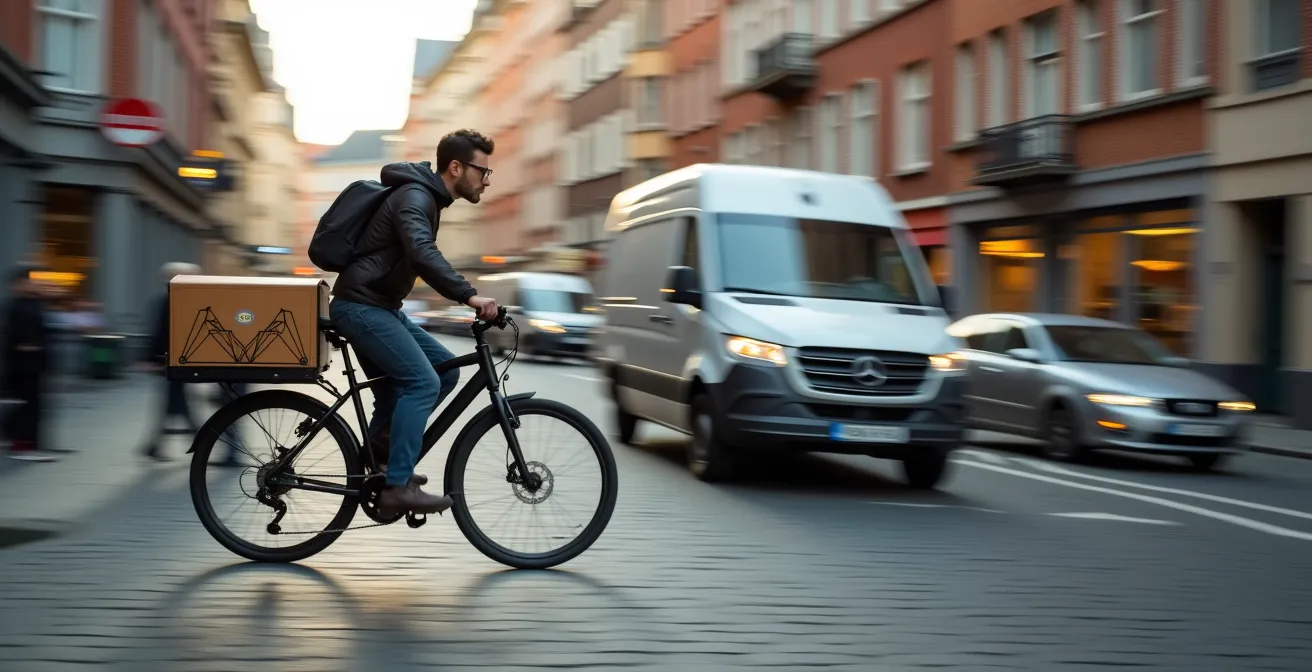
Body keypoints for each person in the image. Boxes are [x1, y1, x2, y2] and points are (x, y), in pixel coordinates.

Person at [328, 129, 501, 516]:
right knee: (422, 382)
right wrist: (469, 295)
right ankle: (396, 486)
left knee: (443, 373)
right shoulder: (415, 197)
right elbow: (422, 252)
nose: (487, 180)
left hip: (380, 306)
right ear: (456, 167)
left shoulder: (426, 197)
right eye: (482, 171)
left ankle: (378, 460)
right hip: (361, 307)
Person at [139, 262, 203, 462]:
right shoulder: (172, 299)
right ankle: (200, 442)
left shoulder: (175, 299)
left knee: (175, 404)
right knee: (179, 404)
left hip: (173, 361)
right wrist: (152, 359)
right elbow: (161, 332)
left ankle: (155, 446)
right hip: (170, 361)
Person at [2, 265, 58, 462]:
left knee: (32, 405)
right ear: (18, 285)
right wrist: (28, 346)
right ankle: (23, 445)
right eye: (28, 281)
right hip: (23, 365)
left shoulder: (32, 303)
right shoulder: (16, 307)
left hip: (35, 365)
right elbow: (14, 336)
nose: (33, 284)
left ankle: (25, 442)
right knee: (27, 405)